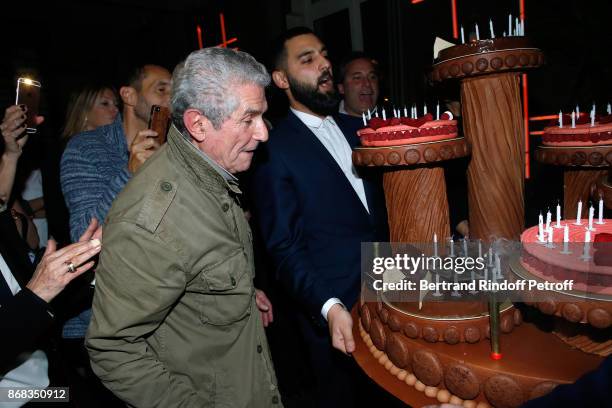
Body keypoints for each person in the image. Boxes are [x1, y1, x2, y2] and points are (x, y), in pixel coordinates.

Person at [86, 47, 281, 408]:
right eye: (248, 119)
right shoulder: (154, 218)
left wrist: (235, 292)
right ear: (198, 124)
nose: (264, 133)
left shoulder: (212, 173)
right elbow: (113, 351)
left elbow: (193, 263)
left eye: (263, 116)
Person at [251, 27, 389, 407]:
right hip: (337, 314)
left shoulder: (358, 129)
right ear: (281, 79)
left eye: (324, 55)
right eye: (307, 59)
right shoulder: (273, 151)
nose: (325, 64)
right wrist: (328, 306)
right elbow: (284, 248)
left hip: (392, 296)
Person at [0, 104, 102, 407]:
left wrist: (88, 264)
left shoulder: (3, 230)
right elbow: (33, 299)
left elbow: (35, 289)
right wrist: (38, 293)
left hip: (51, 381)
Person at [337, 51, 380, 117]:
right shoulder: (327, 125)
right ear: (341, 88)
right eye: (357, 78)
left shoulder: (395, 122)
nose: (367, 83)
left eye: (372, 77)